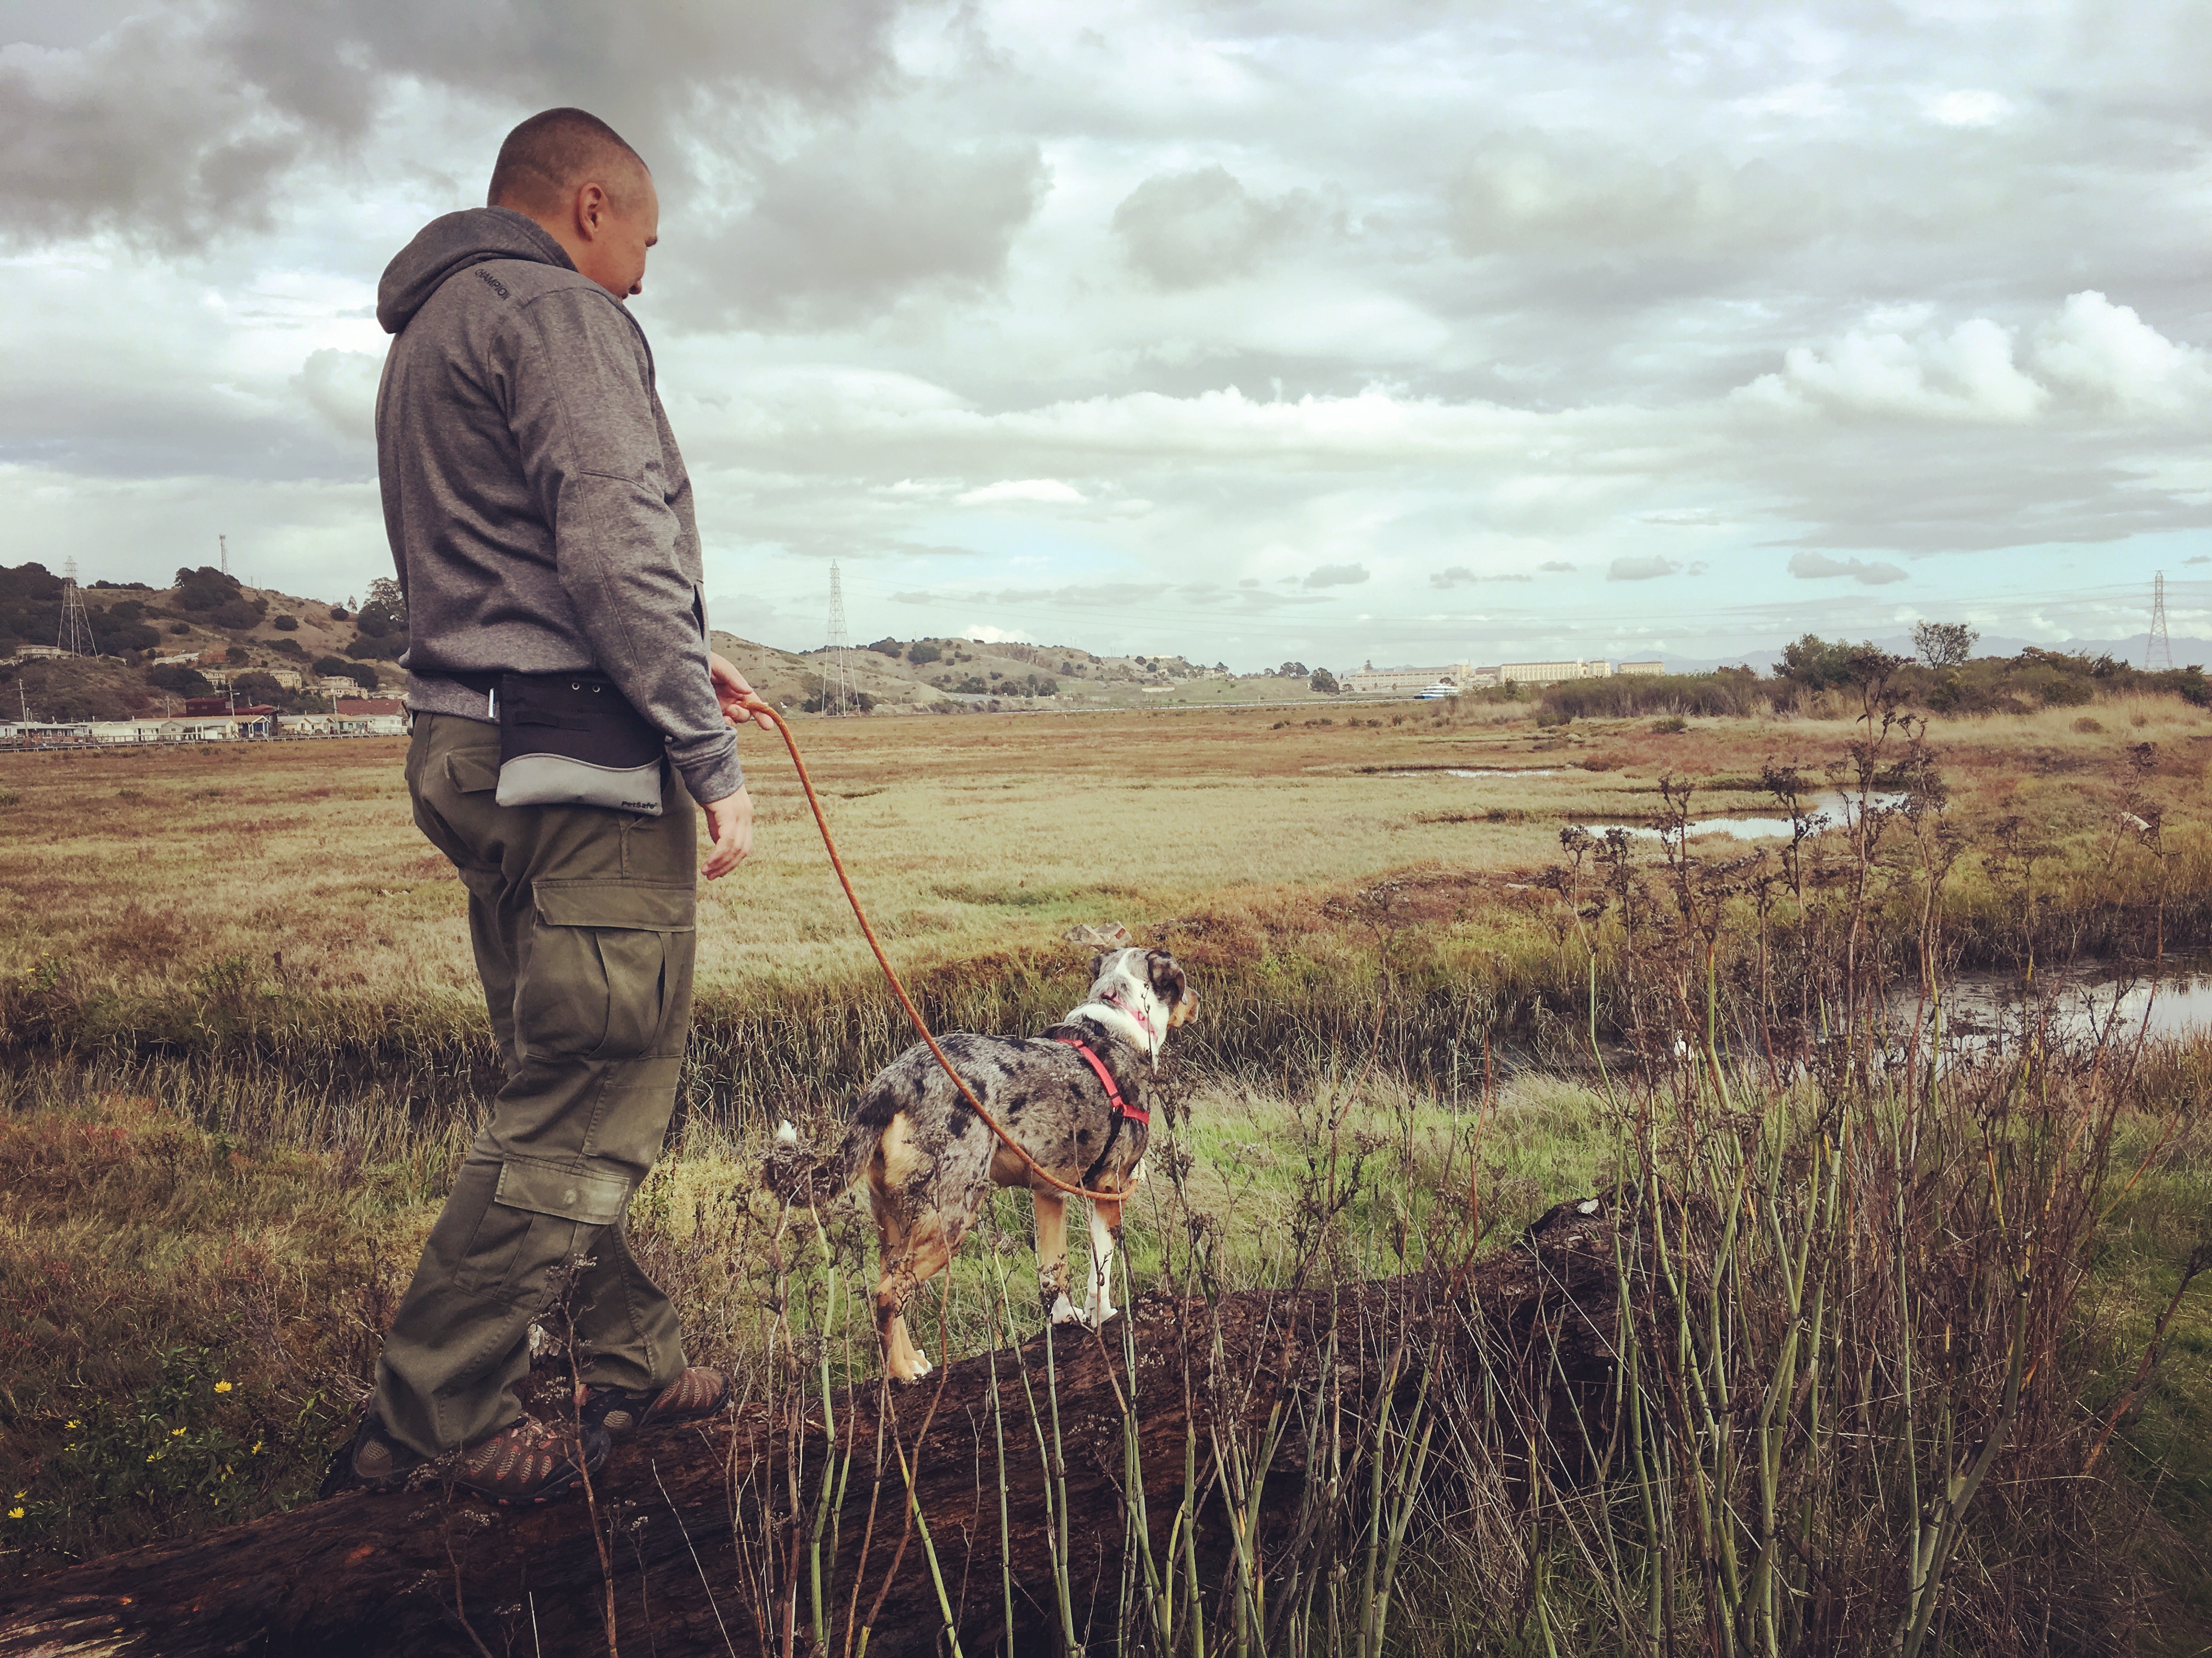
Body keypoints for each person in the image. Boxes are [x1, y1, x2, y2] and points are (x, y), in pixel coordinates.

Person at [338, 108, 772, 1503]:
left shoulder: (433, 328)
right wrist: (706, 755)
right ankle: (434, 1416)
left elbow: (522, 558)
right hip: (576, 760)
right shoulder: (560, 310)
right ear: (591, 206)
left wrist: (667, 647)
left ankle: (626, 1356)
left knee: (569, 1064)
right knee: (594, 1079)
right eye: (646, 239)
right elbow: (609, 538)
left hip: (471, 746)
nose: (647, 271)